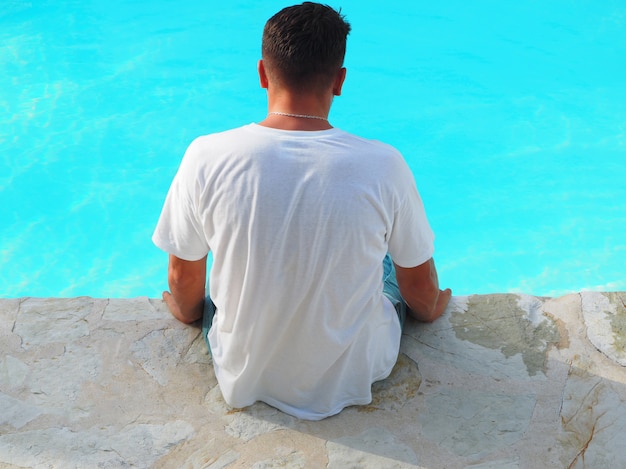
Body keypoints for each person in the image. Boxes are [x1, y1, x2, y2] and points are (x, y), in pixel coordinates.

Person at [152, 2, 451, 420]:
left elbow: (184, 280)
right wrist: (433, 306)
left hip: (243, 372)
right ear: (340, 81)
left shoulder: (205, 155)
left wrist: (184, 311)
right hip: (355, 372)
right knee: (385, 255)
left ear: (261, 73)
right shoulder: (384, 164)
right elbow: (418, 287)